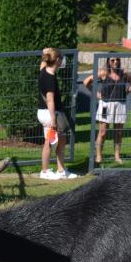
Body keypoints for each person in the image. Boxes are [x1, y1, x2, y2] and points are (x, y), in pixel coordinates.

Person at [83, 55, 131, 165]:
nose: (115, 62)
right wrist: (97, 94)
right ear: (108, 61)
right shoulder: (103, 73)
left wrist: (126, 92)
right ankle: (98, 156)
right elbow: (86, 82)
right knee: (102, 132)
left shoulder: (124, 73)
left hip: (120, 105)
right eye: (112, 60)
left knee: (118, 132)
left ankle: (117, 156)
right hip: (105, 105)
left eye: (117, 59)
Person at [37, 47, 77, 180]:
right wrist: (53, 120)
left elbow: (42, 63)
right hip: (49, 113)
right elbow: (50, 101)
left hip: (49, 113)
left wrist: (44, 52)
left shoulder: (44, 70)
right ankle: (44, 171)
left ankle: (61, 170)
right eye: (62, 58)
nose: (63, 61)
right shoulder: (49, 79)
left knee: (62, 139)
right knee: (50, 142)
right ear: (58, 60)